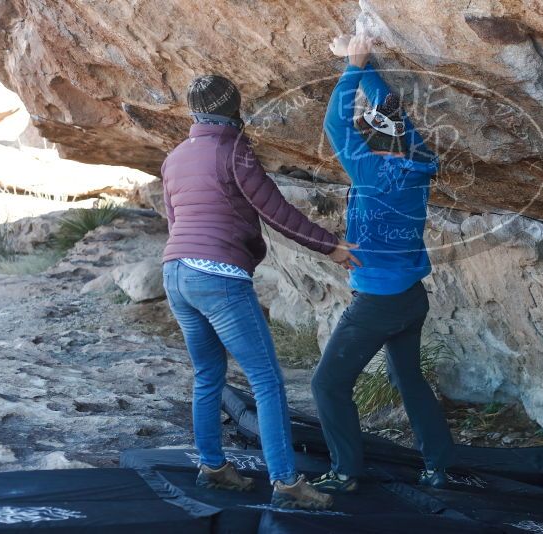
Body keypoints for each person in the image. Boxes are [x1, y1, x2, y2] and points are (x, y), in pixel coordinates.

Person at [161, 74, 360, 510]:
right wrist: (332, 247)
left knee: (208, 375)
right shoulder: (233, 152)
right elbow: (277, 212)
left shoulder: (174, 157)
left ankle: (214, 467)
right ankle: (287, 482)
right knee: (267, 382)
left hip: (176, 273)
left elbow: (176, 222)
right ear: (234, 107)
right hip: (216, 276)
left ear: (193, 111)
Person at [311, 35, 455, 494]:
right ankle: (439, 465)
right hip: (412, 298)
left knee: (327, 385)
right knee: (408, 378)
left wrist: (351, 68)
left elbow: (336, 123)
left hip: (378, 302)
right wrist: (361, 60)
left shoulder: (370, 172)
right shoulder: (420, 162)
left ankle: (346, 473)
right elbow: (393, 113)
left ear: (369, 145)